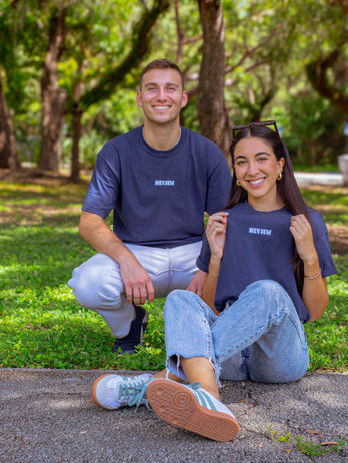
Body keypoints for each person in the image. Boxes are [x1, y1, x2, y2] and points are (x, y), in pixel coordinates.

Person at [92, 120, 337, 442]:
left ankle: (153, 384)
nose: (252, 170)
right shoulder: (223, 221)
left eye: (261, 158)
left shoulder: (307, 221)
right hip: (230, 357)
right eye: (241, 161)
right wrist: (217, 258)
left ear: (280, 166)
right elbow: (209, 305)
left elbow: (315, 311)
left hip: (280, 358)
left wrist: (310, 257)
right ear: (234, 171)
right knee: (182, 298)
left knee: (268, 291)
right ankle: (209, 396)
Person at [68, 58, 231, 354]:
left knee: (243, 269)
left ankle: (205, 324)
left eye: (170, 88)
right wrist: (126, 260)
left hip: (193, 254)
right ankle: (130, 324)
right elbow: (89, 221)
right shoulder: (116, 151)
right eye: (152, 88)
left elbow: (225, 220)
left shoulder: (206, 152)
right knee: (87, 282)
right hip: (138, 255)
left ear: (182, 99)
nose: (161, 96)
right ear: (140, 98)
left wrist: (209, 267)